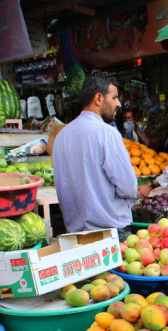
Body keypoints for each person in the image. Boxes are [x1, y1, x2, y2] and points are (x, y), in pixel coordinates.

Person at [53, 70, 142, 238]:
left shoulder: (62, 136)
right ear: (99, 98)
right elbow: (128, 186)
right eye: (114, 97)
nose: (119, 104)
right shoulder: (107, 133)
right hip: (110, 234)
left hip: (76, 236)